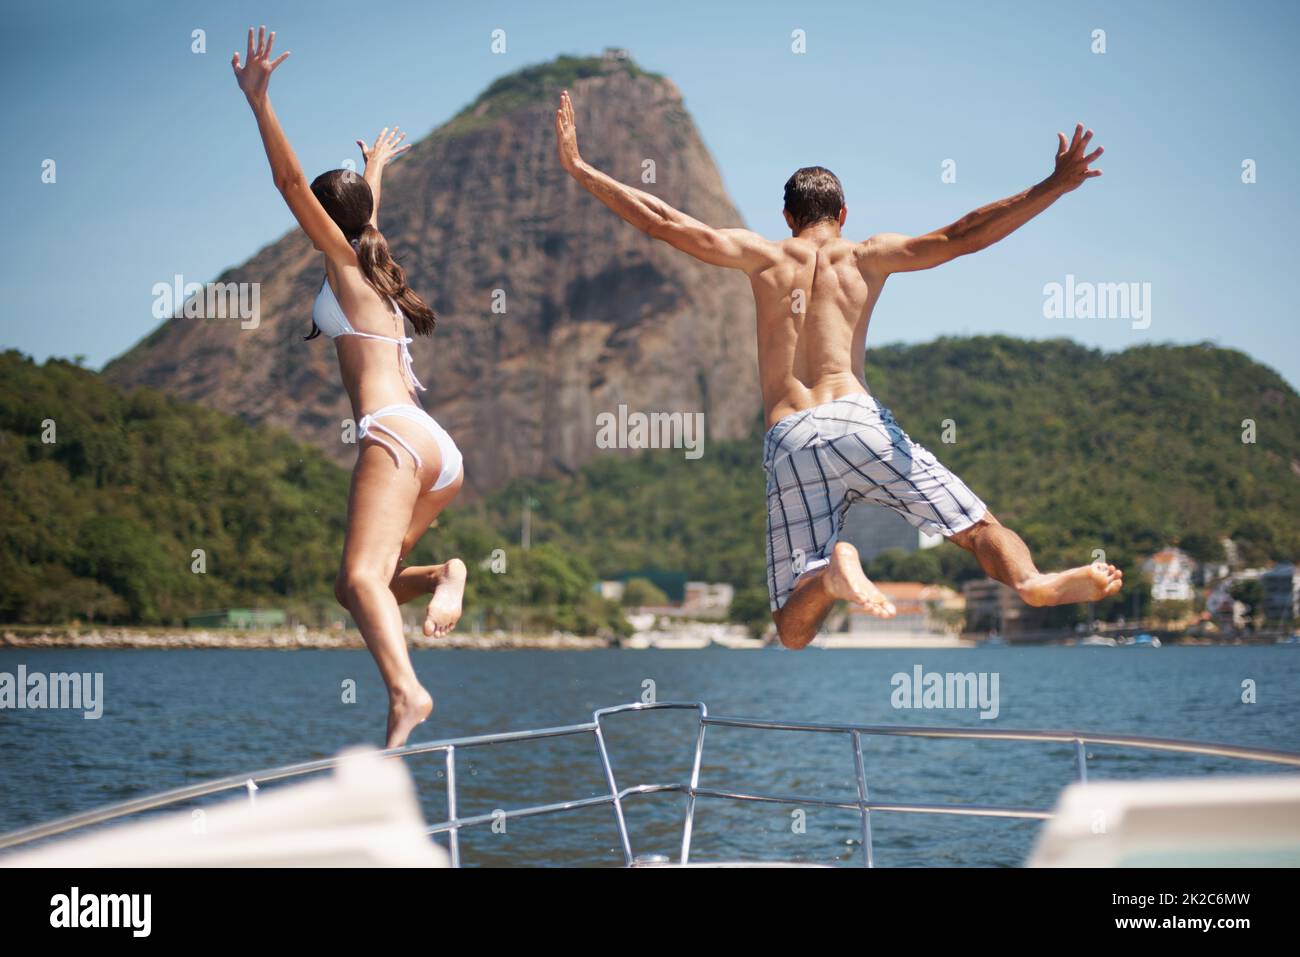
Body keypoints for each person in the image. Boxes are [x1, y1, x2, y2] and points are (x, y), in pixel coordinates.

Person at [554, 90, 1121, 649]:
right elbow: (962, 235)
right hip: (858, 420)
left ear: (787, 216)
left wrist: (581, 168)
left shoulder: (764, 256)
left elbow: (664, 222)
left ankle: (829, 577)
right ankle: (1032, 580)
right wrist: (1053, 185)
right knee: (978, 531)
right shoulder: (866, 256)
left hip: (791, 433)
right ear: (843, 215)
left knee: (792, 629)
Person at [234, 27, 465, 745]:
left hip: (392, 433)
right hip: (437, 450)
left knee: (363, 582)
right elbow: (363, 217)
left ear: (330, 228)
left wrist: (260, 103)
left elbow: (290, 185)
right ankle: (444, 573)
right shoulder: (377, 269)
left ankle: (406, 695)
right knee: (357, 582)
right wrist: (373, 168)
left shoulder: (342, 262)